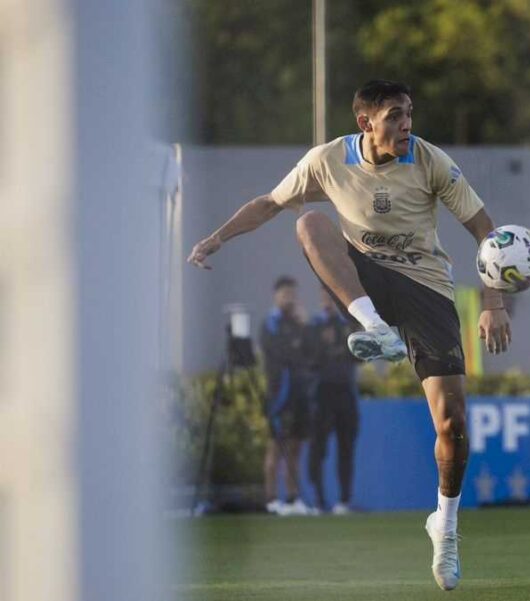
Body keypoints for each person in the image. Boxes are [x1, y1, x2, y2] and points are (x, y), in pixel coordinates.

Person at [188, 80, 512, 591]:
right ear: (367, 123)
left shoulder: (430, 161)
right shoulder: (326, 160)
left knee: (452, 424)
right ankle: (376, 328)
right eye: (396, 116)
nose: (407, 125)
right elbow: (270, 204)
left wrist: (493, 303)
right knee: (310, 221)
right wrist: (215, 239)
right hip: (365, 282)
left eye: (409, 113)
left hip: (426, 287)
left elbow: (484, 229)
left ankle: (445, 526)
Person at [259, 276, 312, 516]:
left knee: (295, 448)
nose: (289, 298)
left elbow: (311, 353)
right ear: (276, 296)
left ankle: (292, 500)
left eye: (292, 293)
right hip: (279, 395)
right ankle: (271, 500)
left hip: (300, 396)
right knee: (275, 448)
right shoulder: (270, 324)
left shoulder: (299, 323)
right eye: (285, 293)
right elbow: (281, 353)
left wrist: (304, 327)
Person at [307, 285, 360, 516]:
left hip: (346, 392)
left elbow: (359, 358)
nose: (328, 300)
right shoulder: (313, 327)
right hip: (321, 393)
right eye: (325, 296)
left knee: (346, 448)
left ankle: (344, 501)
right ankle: (318, 501)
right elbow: (307, 359)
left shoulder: (347, 325)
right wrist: (324, 347)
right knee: (319, 448)